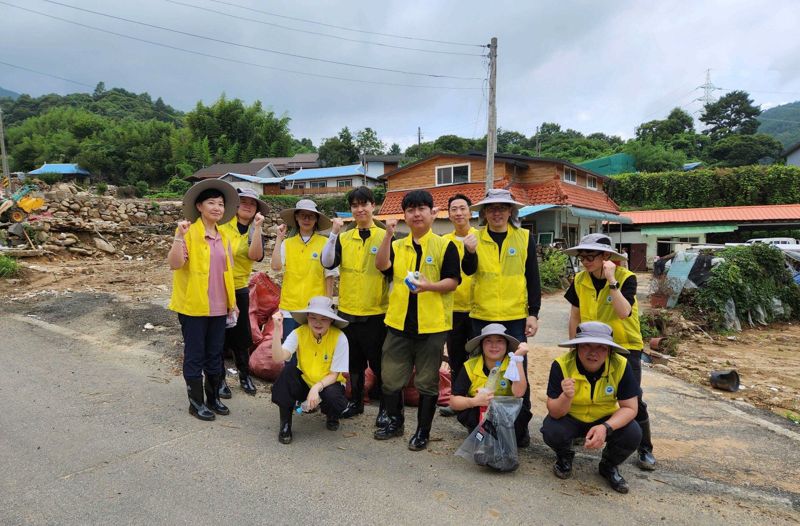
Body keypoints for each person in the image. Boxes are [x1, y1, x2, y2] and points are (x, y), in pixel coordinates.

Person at [374, 189, 460, 451]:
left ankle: (423, 431)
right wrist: (388, 234)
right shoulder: (398, 245)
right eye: (411, 210)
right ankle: (394, 422)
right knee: (390, 378)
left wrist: (429, 287)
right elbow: (381, 265)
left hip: (432, 327)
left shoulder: (446, 245)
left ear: (433, 213)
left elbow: (453, 281)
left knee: (427, 383)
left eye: (422, 208)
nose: (416, 214)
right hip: (398, 324)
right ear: (405, 216)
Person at [563, 233, 656, 471]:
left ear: (606, 256)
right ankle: (582, 433)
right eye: (582, 256)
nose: (585, 261)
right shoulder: (580, 279)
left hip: (625, 346)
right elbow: (575, 315)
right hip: (591, 344)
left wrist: (612, 280)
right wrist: (573, 347)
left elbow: (623, 312)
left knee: (634, 399)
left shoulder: (626, 278)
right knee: (584, 389)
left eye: (590, 256)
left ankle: (644, 447)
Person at [461, 188, 541, 446]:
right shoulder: (474, 238)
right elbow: (468, 271)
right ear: (484, 212)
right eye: (492, 208)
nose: (497, 212)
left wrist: (533, 313)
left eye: (503, 208)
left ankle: (520, 428)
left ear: (511, 211)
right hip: (482, 316)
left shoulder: (524, 237)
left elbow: (532, 278)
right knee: (480, 371)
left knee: (518, 373)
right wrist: (469, 253)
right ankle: (478, 422)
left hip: (514, 316)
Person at [541, 321, 642, 494]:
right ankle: (564, 456)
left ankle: (609, 465)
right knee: (551, 429)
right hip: (570, 417)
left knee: (633, 433)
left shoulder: (621, 365)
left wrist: (606, 427)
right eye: (587, 345)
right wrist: (566, 396)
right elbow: (555, 412)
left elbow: (631, 408)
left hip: (605, 418)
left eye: (601, 347)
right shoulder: (561, 365)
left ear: (609, 350)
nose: (593, 352)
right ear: (577, 347)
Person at [167, 179, 239, 421]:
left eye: (220, 204)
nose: (217, 208)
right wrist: (179, 236)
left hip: (219, 307)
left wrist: (233, 304)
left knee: (215, 354)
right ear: (199, 206)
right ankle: (195, 403)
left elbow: (227, 273)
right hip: (193, 307)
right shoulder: (189, 233)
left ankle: (213, 398)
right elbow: (175, 264)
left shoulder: (224, 237)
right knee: (195, 355)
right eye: (211, 203)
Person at [321, 186, 391, 425]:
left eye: (364, 204)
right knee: (354, 363)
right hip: (348, 311)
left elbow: (393, 274)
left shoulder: (386, 236)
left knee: (380, 364)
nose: (360, 209)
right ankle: (357, 402)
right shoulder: (343, 237)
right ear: (350, 209)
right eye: (355, 205)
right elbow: (328, 262)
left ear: (373, 206)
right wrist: (333, 233)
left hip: (376, 311)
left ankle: (385, 408)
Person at [270, 296, 350, 444]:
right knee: (287, 372)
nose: (318, 323)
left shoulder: (340, 338)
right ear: (307, 317)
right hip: (305, 380)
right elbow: (278, 357)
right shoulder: (299, 332)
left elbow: (334, 375)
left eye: (323, 319)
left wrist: (316, 388)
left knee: (333, 398)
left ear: (331, 320)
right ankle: (285, 424)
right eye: (313, 317)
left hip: (328, 384)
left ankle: (332, 415)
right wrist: (277, 330)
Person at [217, 187, 267, 398]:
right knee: (217, 334)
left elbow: (256, 256)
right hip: (216, 286)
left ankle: (244, 376)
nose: (247, 204)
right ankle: (218, 379)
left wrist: (257, 229)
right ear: (235, 206)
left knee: (241, 333)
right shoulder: (221, 226)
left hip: (238, 287)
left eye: (252, 202)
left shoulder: (255, 231)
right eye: (243, 201)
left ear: (256, 209)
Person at [449, 323, 532, 444]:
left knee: (519, 425)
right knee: (469, 413)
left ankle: (513, 435)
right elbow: (453, 401)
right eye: (488, 341)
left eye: (499, 341)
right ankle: (480, 432)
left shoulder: (512, 363)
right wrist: (473, 401)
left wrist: (518, 360)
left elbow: (519, 393)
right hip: (481, 411)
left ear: (507, 345)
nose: (494, 346)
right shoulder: (470, 365)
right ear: (481, 345)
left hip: (507, 414)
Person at [271, 199, 337, 339]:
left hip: (315, 307)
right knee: (290, 352)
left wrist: (328, 303)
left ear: (316, 219)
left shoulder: (325, 243)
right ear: (296, 217)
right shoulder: (287, 244)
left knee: (313, 350)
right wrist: (278, 239)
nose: (306, 219)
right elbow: (276, 267)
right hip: (290, 307)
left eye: (311, 216)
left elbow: (329, 275)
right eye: (303, 215)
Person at [439, 193, 479, 417]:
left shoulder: (482, 237)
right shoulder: (444, 241)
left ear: (470, 212)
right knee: (455, 357)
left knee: (478, 357)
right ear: (449, 214)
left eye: (462, 208)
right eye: (454, 209)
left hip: (477, 309)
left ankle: (477, 400)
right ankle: (456, 400)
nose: (459, 213)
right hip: (452, 309)